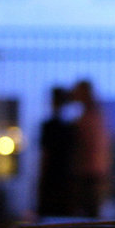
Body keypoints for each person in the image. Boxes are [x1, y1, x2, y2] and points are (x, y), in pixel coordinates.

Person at [70, 80, 112, 218]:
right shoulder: (94, 115)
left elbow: (88, 146)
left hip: (90, 172)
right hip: (94, 171)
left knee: (89, 213)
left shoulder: (90, 117)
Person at [37, 85, 76, 217]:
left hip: (53, 176)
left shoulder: (50, 126)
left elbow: (45, 154)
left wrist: (41, 179)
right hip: (66, 176)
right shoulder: (70, 127)